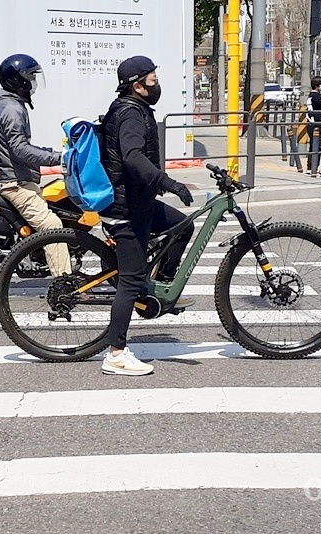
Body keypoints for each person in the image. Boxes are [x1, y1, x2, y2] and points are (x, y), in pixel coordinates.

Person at [98, 55, 195, 376]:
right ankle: (115, 354)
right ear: (137, 86)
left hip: (140, 203)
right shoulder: (130, 115)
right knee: (130, 280)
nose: (157, 86)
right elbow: (132, 157)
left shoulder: (133, 108)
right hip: (124, 209)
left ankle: (160, 287)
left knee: (182, 225)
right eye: (152, 81)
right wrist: (168, 182)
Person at [0, 54, 71, 276]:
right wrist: (60, 158)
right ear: (18, 80)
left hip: (21, 180)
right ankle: (64, 281)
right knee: (53, 227)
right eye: (31, 77)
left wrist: (50, 153)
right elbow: (20, 150)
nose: (34, 82)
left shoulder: (10, 105)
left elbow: (21, 146)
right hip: (16, 184)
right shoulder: (12, 109)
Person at [305, 77, 321, 178]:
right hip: (317, 125)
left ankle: (311, 168)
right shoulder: (315, 96)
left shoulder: (312, 96)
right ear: (317, 85)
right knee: (317, 147)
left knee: (313, 146)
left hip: (312, 124)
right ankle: (313, 169)